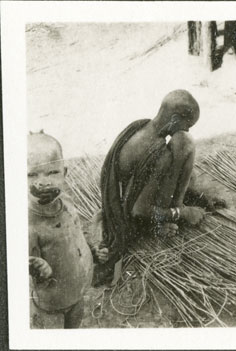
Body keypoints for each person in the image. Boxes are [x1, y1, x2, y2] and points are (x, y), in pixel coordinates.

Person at [95, 89, 224, 285]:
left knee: (184, 149)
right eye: (187, 124)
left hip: (117, 202)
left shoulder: (141, 126)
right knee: (185, 144)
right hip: (130, 219)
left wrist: (196, 196)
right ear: (173, 118)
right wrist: (182, 213)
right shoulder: (159, 155)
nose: (187, 130)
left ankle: (177, 207)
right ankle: (159, 224)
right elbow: (139, 210)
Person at [27, 131, 104, 328]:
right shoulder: (27, 222)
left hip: (78, 294)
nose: (44, 181)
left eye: (52, 172)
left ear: (65, 172)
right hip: (51, 306)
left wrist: (92, 251)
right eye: (31, 174)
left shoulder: (67, 202)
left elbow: (75, 236)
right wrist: (36, 267)